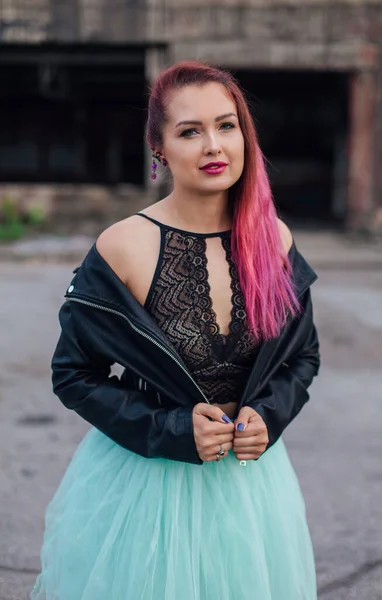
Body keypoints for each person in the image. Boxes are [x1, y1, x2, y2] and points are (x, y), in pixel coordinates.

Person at [32, 61, 320, 600]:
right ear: (159, 149)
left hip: (252, 486)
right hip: (147, 483)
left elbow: (302, 358)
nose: (214, 145)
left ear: (244, 135)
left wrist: (271, 415)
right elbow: (73, 374)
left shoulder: (272, 238)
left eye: (226, 125)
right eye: (191, 131)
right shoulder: (123, 246)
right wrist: (170, 428)